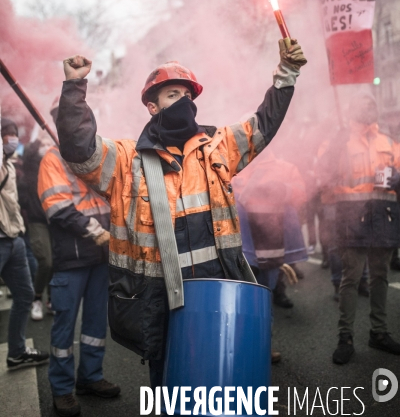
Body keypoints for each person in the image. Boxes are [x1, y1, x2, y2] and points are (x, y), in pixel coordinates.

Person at [55, 40, 306, 388]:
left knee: (217, 378)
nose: (183, 101)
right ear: (151, 106)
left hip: (215, 289)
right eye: (173, 94)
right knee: (168, 380)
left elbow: (264, 123)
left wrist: (287, 73)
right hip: (156, 296)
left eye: (187, 94)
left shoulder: (218, 146)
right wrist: (74, 87)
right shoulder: (128, 161)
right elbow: (79, 149)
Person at [38, 104, 120, 417]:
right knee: (64, 326)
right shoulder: (52, 158)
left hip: (102, 256)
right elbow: (57, 207)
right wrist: (95, 231)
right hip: (71, 258)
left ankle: (91, 377)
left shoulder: (98, 154)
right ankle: (62, 390)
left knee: (96, 322)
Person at [322, 94, 400, 364]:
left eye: (372, 105)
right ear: (355, 111)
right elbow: (323, 175)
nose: (369, 109)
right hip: (352, 221)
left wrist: (395, 177)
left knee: (379, 277)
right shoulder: (341, 141)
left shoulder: (389, 142)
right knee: (351, 279)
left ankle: (378, 333)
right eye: (363, 105)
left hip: (384, 219)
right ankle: (346, 338)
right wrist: (335, 149)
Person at [0, 116, 49, 370]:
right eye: (6, 134)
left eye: (14, 133)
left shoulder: (9, 166)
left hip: (14, 239)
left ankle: (17, 352)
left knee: (25, 294)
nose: (12, 139)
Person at [18, 133, 54, 320]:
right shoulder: (32, 168)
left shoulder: (54, 167)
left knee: (55, 262)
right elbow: (29, 154)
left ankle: (51, 300)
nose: (47, 146)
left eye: (50, 142)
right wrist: (38, 140)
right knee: (45, 261)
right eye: (44, 143)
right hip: (37, 220)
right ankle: (37, 298)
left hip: (55, 220)